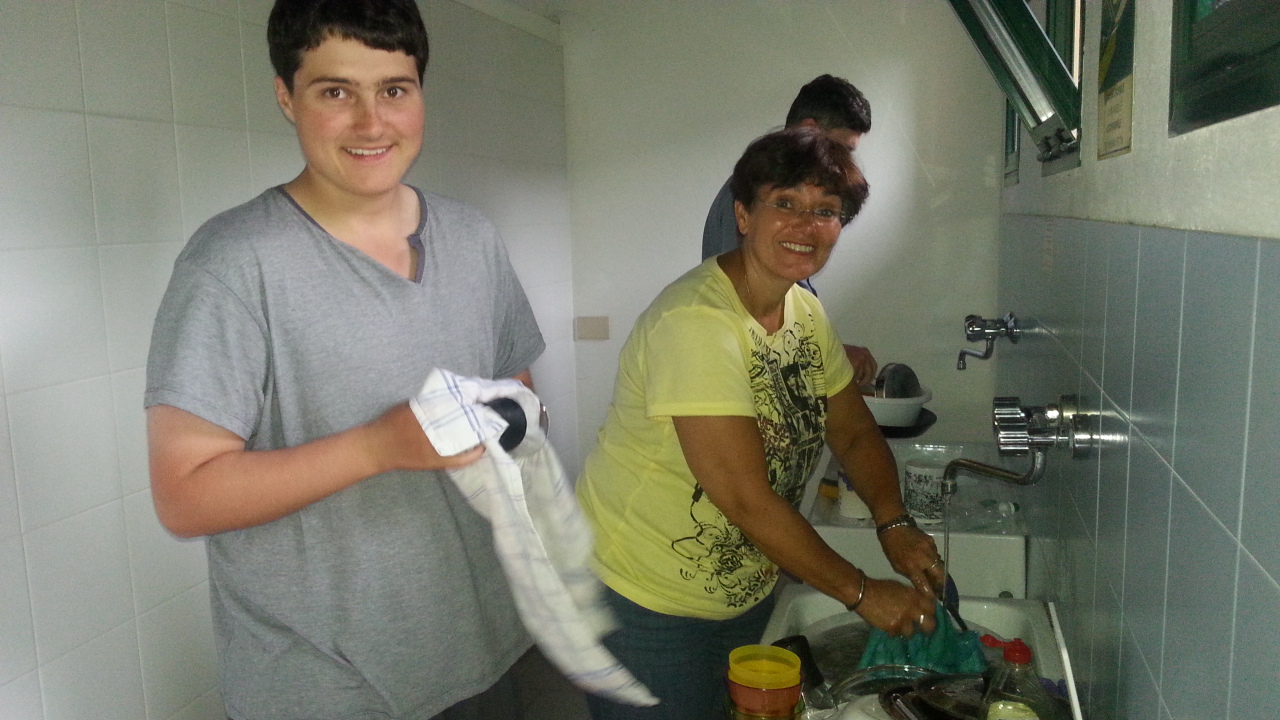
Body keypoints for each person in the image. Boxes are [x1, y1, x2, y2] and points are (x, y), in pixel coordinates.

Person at [144, 1, 545, 718]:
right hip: (327, 681)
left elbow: (517, 391)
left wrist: (513, 428)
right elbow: (185, 496)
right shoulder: (234, 263)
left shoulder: (472, 237)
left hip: (482, 642)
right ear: (286, 96)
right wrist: (378, 446)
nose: (371, 123)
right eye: (336, 91)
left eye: (394, 89)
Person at [578, 126, 943, 720]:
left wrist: (893, 520)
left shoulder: (802, 309)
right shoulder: (697, 322)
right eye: (786, 203)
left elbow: (852, 431)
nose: (806, 225)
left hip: (742, 590)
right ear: (744, 215)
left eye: (826, 210)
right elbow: (745, 498)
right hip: (642, 601)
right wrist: (860, 592)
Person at [702, 74, 878, 386]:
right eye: (842, 148)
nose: (809, 226)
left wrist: (828, 352)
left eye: (825, 212)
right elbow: (747, 311)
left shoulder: (800, 299)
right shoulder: (752, 194)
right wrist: (831, 354)